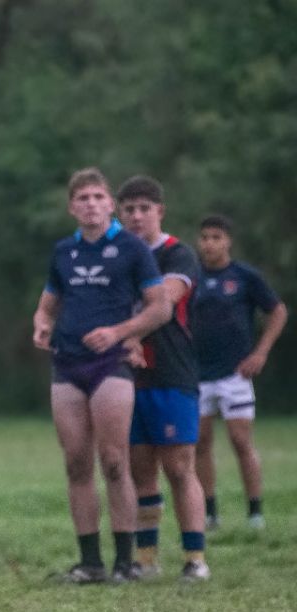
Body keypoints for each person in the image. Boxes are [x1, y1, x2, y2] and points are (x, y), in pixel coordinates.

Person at [32, 167, 170, 583]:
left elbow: (159, 308)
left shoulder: (131, 249)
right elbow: (49, 303)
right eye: (82, 199)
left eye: (98, 197)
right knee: (76, 463)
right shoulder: (63, 253)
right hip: (67, 363)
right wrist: (41, 321)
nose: (91, 205)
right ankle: (90, 562)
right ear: (72, 207)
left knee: (113, 460)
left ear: (110, 204)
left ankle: (125, 562)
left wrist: (119, 332)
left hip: (111, 364)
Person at [115, 176, 209, 581]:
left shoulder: (177, 254)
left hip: (172, 374)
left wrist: (129, 334)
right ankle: (147, 559)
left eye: (144, 209)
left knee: (179, 467)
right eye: (129, 209)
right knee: (140, 469)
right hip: (128, 377)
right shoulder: (116, 256)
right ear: (120, 214)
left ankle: (195, 559)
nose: (136, 217)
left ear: (160, 212)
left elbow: (165, 301)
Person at [192, 214, 288, 531]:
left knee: (240, 441)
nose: (209, 243)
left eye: (216, 237)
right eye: (205, 237)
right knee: (200, 443)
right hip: (197, 374)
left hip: (236, 375)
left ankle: (255, 513)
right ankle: (209, 512)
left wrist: (260, 352)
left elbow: (277, 311)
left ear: (228, 241)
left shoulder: (244, 276)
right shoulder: (189, 277)